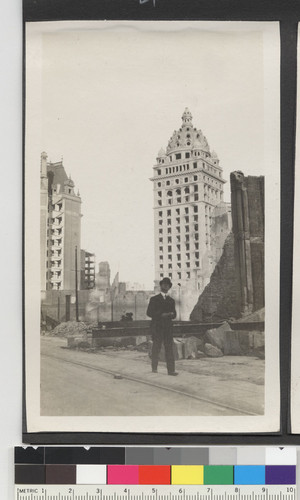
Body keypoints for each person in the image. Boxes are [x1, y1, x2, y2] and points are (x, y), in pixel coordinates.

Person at [146, 277, 178, 376]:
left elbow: (174, 314)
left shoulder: (171, 300)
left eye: (167, 285)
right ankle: (154, 368)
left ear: (169, 287)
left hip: (168, 328)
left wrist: (170, 315)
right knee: (156, 347)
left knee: (169, 348)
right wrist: (161, 315)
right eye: (164, 284)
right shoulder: (154, 299)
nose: (165, 286)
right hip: (157, 327)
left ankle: (171, 370)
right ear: (161, 286)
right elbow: (149, 313)